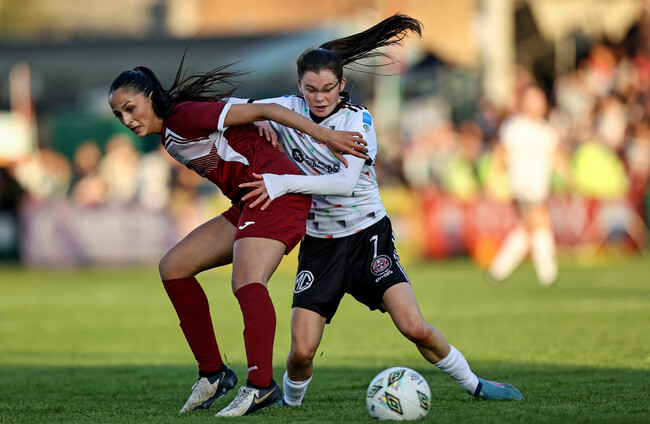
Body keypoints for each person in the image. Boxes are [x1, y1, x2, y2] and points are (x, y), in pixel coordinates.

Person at [236, 13, 524, 406]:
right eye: (311, 89)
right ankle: (290, 404)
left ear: (342, 85)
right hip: (320, 245)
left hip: (368, 236)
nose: (319, 97)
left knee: (414, 326)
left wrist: (281, 182)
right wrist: (256, 120)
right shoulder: (284, 109)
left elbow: (344, 183)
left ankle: (475, 384)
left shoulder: (359, 121)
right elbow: (229, 109)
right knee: (301, 352)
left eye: (328, 88)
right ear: (299, 86)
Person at [108, 58, 367, 417]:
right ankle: (213, 373)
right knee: (174, 267)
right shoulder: (171, 131)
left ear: (151, 97)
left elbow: (268, 109)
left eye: (130, 108)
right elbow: (247, 110)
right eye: (118, 114)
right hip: (249, 200)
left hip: (274, 193)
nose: (126, 119)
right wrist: (252, 119)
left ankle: (262, 386)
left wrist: (326, 136)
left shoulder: (181, 117)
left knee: (247, 280)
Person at [486, 85, 571, 286]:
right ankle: (548, 274)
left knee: (526, 230)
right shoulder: (514, 127)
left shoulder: (546, 130)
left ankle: (498, 271)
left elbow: (556, 157)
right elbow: (501, 154)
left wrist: (570, 177)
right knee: (541, 222)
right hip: (522, 185)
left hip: (540, 186)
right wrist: (493, 179)